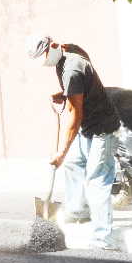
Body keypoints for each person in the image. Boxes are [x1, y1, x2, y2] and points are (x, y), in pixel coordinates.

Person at [27, 35, 121, 250]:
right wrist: (66, 94)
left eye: (43, 56)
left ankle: (103, 238)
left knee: (97, 180)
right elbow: (82, 90)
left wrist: (60, 151)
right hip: (87, 123)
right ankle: (78, 211)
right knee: (72, 163)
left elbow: (74, 115)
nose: (43, 62)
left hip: (101, 128)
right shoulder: (69, 51)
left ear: (52, 46)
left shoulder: (71, 69)